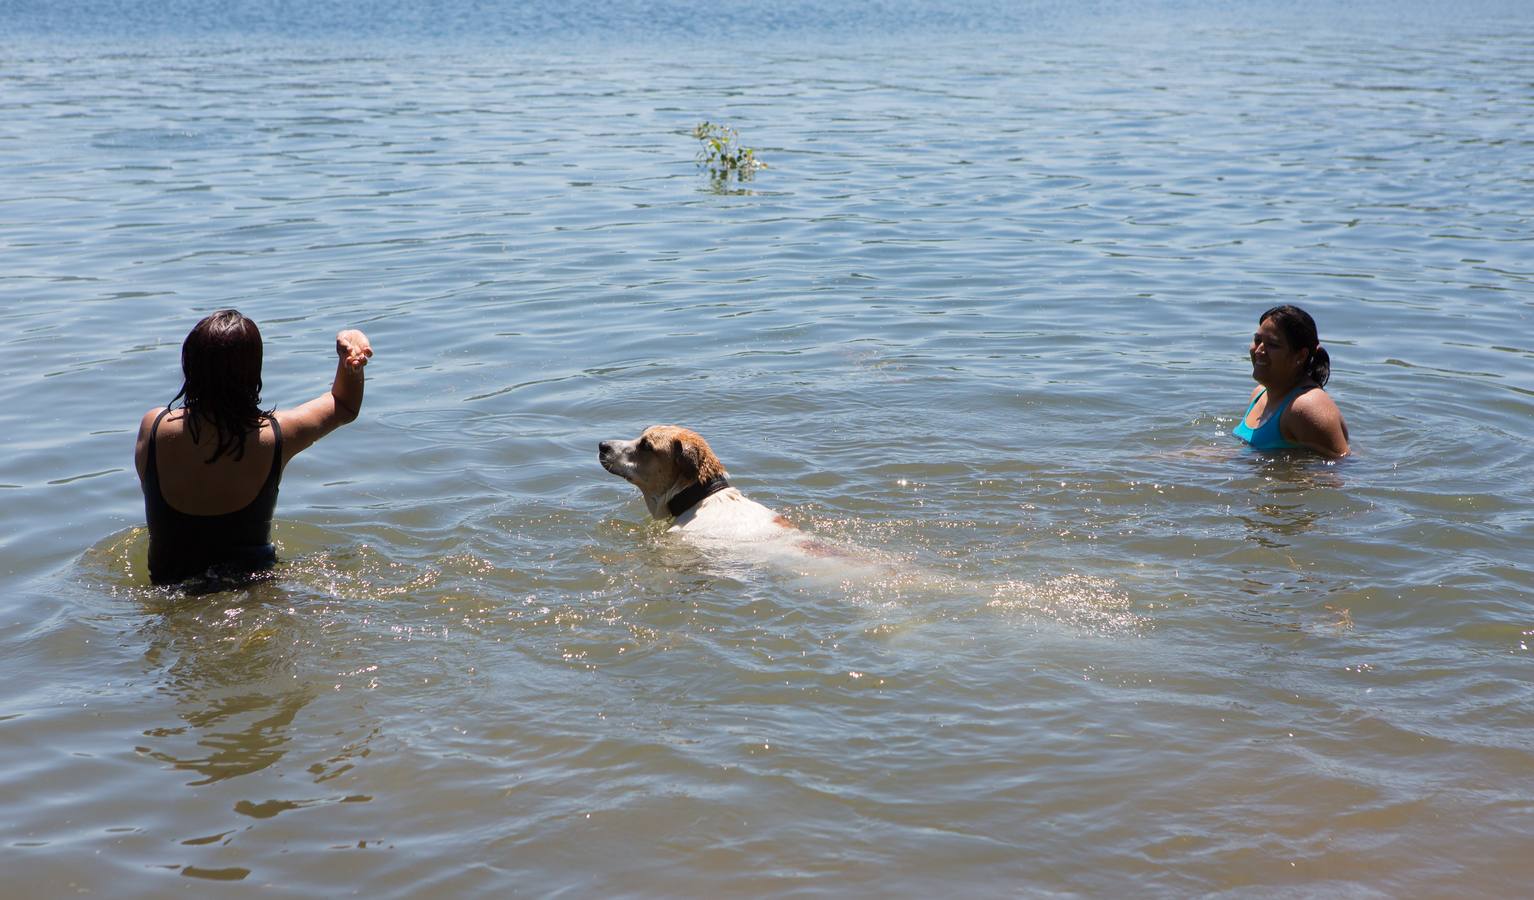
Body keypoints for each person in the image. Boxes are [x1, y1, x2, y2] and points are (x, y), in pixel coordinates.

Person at [133, 310, 373, 585]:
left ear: (189, 363)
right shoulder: (274, 437)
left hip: (171, 598)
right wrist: (349, 361)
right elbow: (343, 405)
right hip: (255, 591)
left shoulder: (154, 429)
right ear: (253, 372)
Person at [1234, 305, 1350, 458]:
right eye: (1257, 340)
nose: (1259, 350)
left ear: (1300, 356)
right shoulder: (1260, 393)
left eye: (1273, 345)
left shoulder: (1306, 407)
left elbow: (1339, 469)